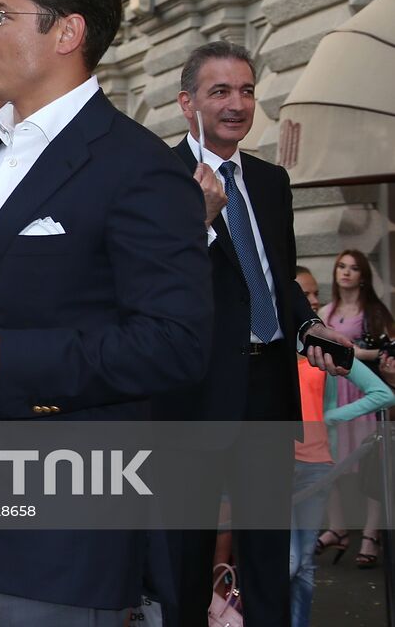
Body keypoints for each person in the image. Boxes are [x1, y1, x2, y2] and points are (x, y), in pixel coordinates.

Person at [0, 0, 215, 624]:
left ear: (67, 31)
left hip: (67, 533)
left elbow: (176, 343)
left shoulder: (137, 169)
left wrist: (3, 359)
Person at [155, 40, 349, 625]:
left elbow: (276, 277)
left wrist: (312, 325)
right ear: (187, 102)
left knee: (268, 555)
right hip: (197, 396)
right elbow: (154, 285)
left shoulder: (269, 181)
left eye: (246, 90)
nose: (236, 104)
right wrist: (201, 219)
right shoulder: (158, 180)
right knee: (188, 559)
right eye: (220, 91)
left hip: (268, 389)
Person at [289, 265, 394, 627]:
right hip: (269, 465)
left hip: (315, 466)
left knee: (300, 563)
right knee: (278, 560)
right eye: (306, 294)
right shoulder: (262, 348)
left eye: (316, 293)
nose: (315, 301)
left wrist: (330, 416)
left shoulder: (324, 346)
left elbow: (382, 392)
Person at [314, 248, 394, 568]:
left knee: (369, 466)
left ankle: (371, 534)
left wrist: (363, 356)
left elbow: (390, 348)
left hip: (363, 394)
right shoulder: (327, 312)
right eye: (341, 267)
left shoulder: (374, 312)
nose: (346, 273)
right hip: (334, 394)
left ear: (363, 276)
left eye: (353, 268)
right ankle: (338, 527)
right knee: (332, 463)